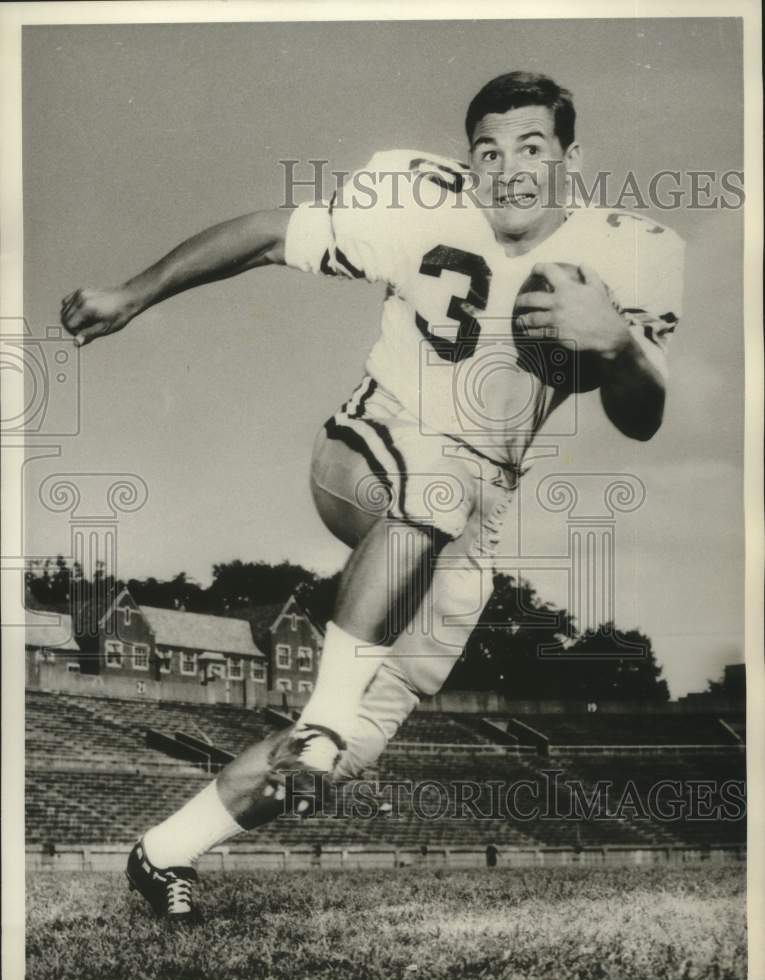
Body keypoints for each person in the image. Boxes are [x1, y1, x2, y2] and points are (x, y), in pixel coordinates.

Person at [60, 72, 684, 921]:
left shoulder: (628, 251)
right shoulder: (420, 203)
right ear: (469, 162)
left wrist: (617, 347)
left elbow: (641, 418)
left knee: (350, 744)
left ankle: (163, 853)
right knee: (414, 519)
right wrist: (134, 293)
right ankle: (320, 718)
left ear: (570, 158)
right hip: (366, 445)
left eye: (532, 148)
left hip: (474, 506)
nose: (509, 170)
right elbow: (263, 235)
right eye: (489, 152)